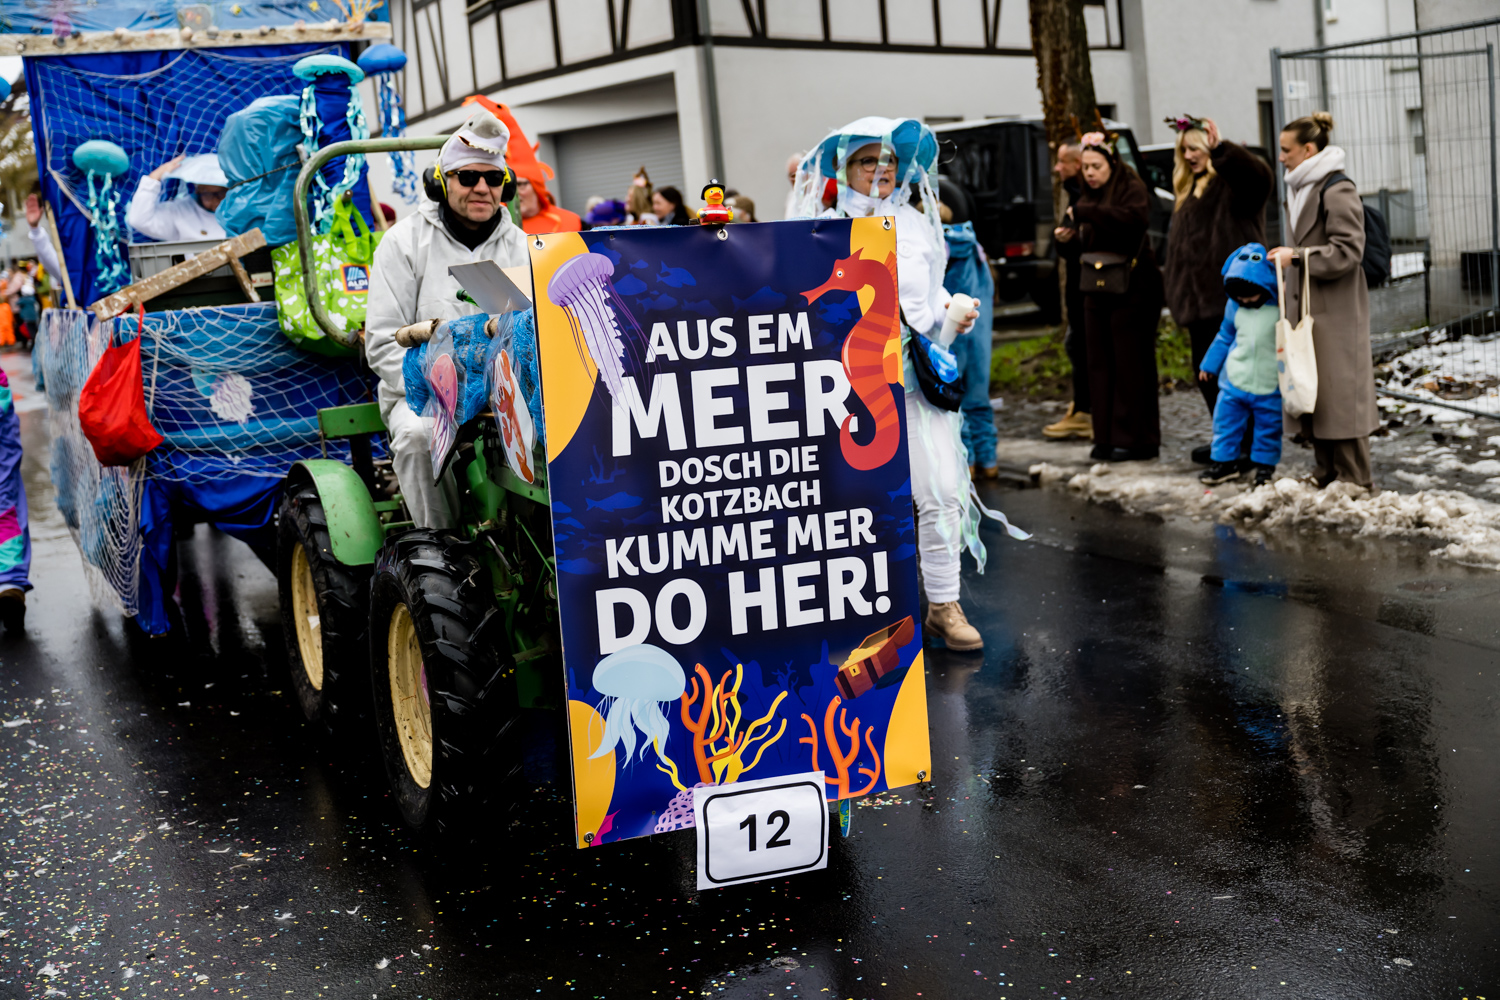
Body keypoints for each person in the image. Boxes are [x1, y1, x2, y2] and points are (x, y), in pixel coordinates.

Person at [794, 117, 1015, 652]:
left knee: (940, 489)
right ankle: (854, 614)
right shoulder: (819, 230)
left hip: (915, 381)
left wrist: (951, 315)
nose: (880, 171)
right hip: (846, 387)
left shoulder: (917, 225)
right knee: (852, 501)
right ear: (845, 168)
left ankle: (943, 604)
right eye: (868, 161)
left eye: (889, 161)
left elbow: (929, 304)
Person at [365, 107, 529, 528]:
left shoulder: (525, 246)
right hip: (426, 395)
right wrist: (450, 388)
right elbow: (383, 344)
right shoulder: (402, 244)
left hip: (510, 390)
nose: (481, 188)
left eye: (493, 179)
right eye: (467, 177)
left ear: (504, 187)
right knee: (419, 440)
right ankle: (441, 550)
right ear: (441, 183)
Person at [1269, 112, 1376, 489]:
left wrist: (1296, 257)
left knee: (1340, 392)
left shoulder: (1336, 188)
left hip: (1338, 307)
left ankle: (1355, 477)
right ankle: (1326, 470)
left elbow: (1349, 251)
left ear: (1308, 149)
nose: (1280, 157)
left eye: (1286, 150)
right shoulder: (1301, 187)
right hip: (1312, 306)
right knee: (1314, 388)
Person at [1160, 115, 1272, 461]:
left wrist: (1223, 150)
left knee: (1238, 376)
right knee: (1208, 376)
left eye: (1195, 147)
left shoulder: (1230, 185)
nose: (1190, 155)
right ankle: (1229, 441)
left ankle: (1245, 448)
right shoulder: (1187, 191)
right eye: (1184, 150)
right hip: (1197, 305)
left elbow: (1259, 180)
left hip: (1231, 299)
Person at [1054, 132, 1163, 461]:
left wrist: (1088, 213)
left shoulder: (1129, 188)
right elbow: (1078, 245)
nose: (1089, 173)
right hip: (1095, 289)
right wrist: (1066, 239)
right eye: (1085, 166)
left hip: (1132, 288)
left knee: (1129, 364)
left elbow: (1134, 221)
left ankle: (1136, 440)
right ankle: (1104, 436)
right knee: (1098, 363)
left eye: (1096, 166)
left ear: (1112, 164)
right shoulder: (1086, 197)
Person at [1197, 243, 1282, 487]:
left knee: (1269, 428)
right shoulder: (1234, 306)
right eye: (1239, 297)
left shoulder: (1279, 307)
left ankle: (1265, 469)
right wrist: (1209, 365)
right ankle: (1224, 464)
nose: (1244, 300)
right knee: (1225, 424)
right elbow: (1224, 336)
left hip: (1269, 383)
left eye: (1249, 296)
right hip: (1234, 380)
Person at [1043, 138, 1093, 441]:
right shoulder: (1073, 193)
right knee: (1075, 344)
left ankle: (1086, 412)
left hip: (1089, 287)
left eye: (1062, 161)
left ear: (1077, 164)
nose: (1057, 167)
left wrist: (1069, 239)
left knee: (1079, 345)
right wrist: (1064, 240)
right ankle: (1081, 407)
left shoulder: (1085, 194)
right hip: (1077, 287)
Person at [943, 220, 998, 476]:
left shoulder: (939, 250)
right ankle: (989, 461)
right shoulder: (976, 249)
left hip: (952, 337)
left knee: (955, 402)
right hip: (980, 338)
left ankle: (967, 464)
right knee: (979, 400)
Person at [127, 153, 228, 241]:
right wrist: (153, 179)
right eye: (210, 195)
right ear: (198, 190)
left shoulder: (239, 210)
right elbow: (139, 220)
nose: (216, 200)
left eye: (222, 193)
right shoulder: (180, 211)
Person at [783, 151, 804, 220]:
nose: (793, 179)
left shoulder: (812, 194)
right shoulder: (790, 196)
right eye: (791, 175)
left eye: (796, 175)